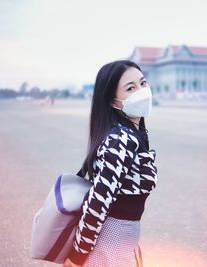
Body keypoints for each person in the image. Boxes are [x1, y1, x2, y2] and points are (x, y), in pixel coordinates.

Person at [63, 60, 158, 267]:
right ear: (114, 102)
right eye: (131, 88)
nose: (142, 91)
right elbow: (97, 202)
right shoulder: (121, 140)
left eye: (143, 83)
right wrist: (77, 257)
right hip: (111, 245)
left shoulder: (130, 133)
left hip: (124, 240)